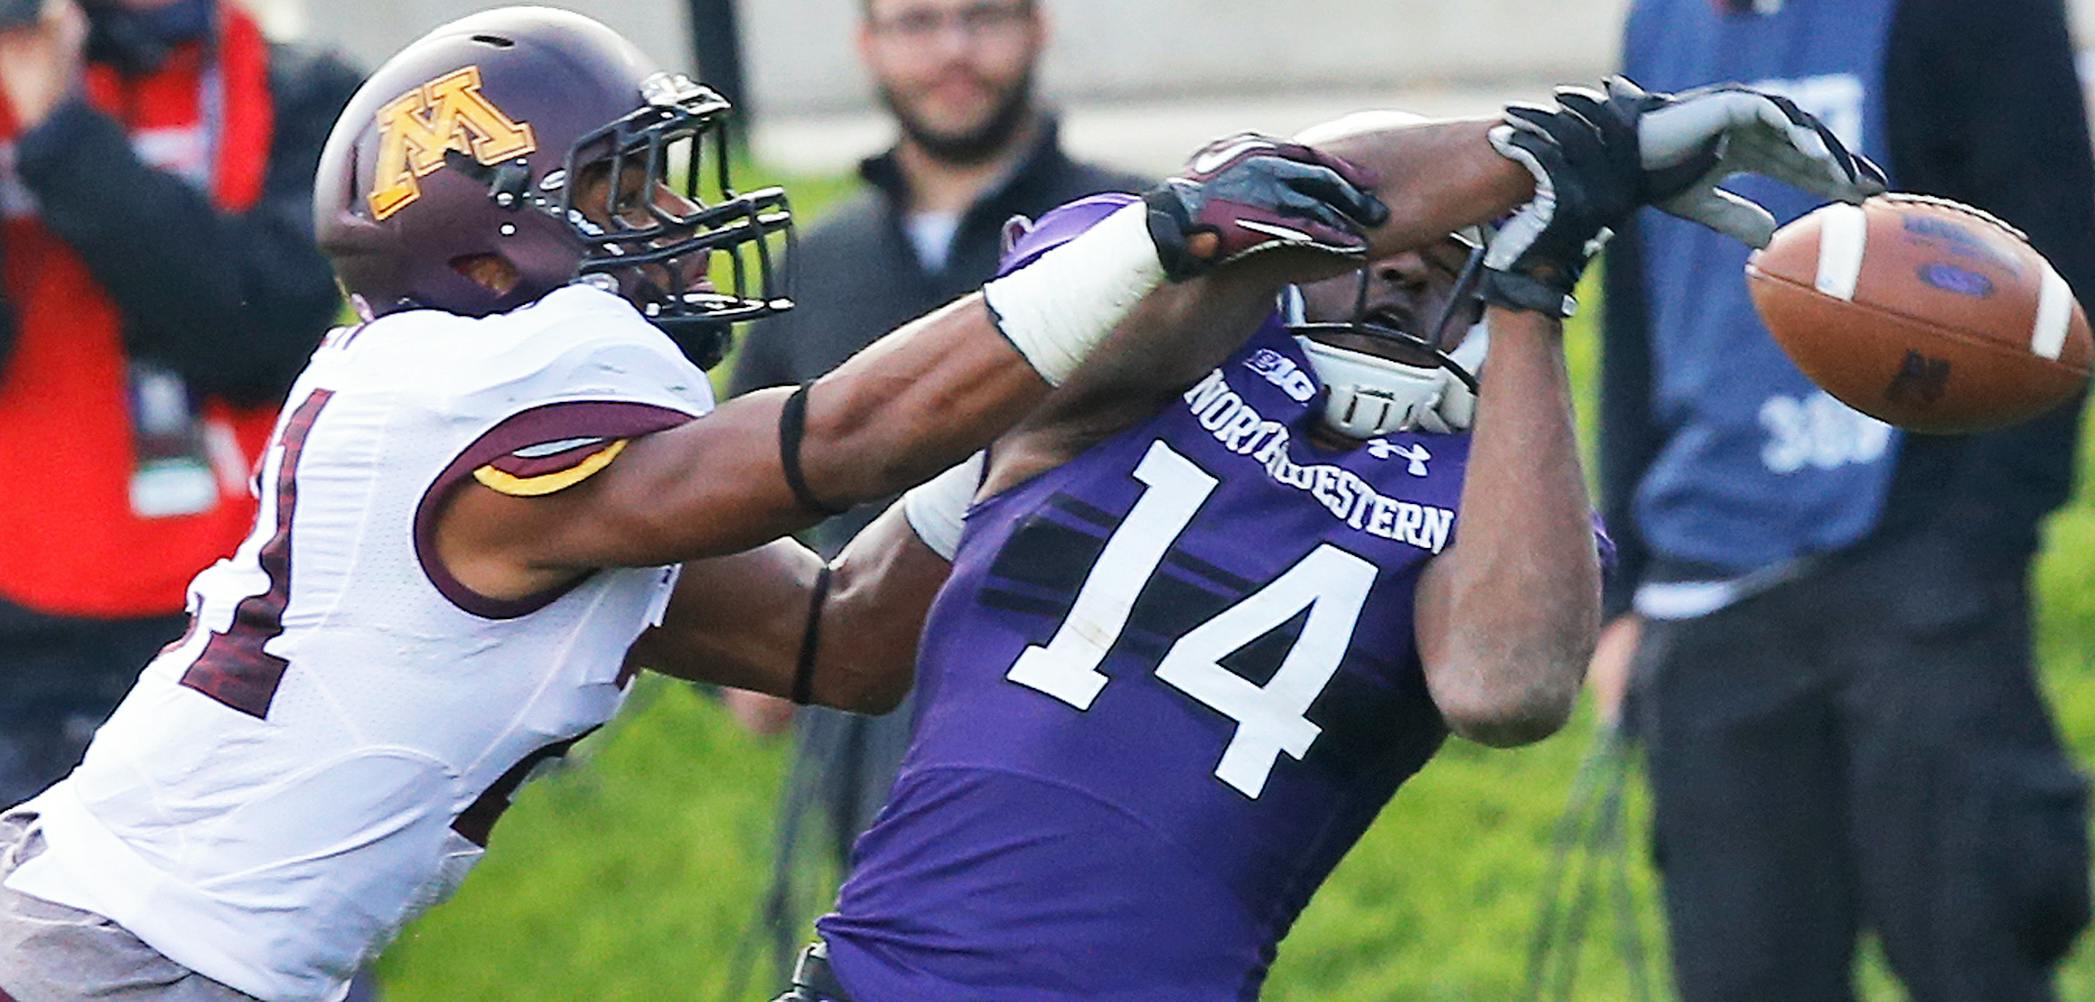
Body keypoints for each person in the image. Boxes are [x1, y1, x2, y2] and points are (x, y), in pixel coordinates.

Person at [0, 7, 1395, 1000]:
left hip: (178, 942)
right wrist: (1143, 250)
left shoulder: (524, 455)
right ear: (485, 254)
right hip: (134, 958)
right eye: (623, 188)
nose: (673, 221)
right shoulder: (487, 405)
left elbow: (840, 641)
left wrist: (1035, 428)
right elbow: (834, 443)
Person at [771, 82, 1887, 1002]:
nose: (1409, 266)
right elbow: (1165, 276)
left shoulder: (1495, 492)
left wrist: (1533, 287)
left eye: (1460, 258)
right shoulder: (1165, 316)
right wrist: (1557, 147)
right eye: (1397, 237)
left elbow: (1507, 686)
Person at [1591, 0, 2095, 999]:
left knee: (1976, 959)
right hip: (1706, 601)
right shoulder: (1659, 25)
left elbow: (2062, 294)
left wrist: (1970, 549)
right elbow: (1639, 306)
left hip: (1913, 582)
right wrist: (1627, 592)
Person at [720, 0, 1145, 962]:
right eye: (918, 21)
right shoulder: (819, 262)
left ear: (1038, 27)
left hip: (1094, 739)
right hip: (870, 749)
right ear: (866, 43)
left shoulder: (1135, 238)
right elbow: (734, 489)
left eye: (983, 16)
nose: (954, 51)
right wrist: (751, 669)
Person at [0, 0, 358, 806]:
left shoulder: (297, 91)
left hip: (246, 603)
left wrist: (62, 139)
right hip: (26, 631)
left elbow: (258, 330)